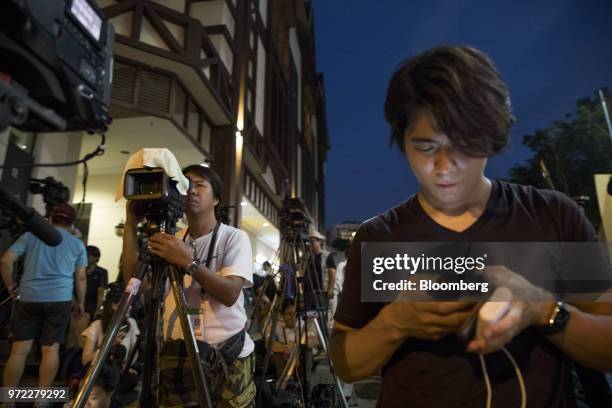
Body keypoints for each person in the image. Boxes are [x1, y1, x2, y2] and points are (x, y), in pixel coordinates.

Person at [330, 45, 612, 407]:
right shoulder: (378, 237)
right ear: (403, 142)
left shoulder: (554, 216)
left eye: (463, 145)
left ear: (492, 136)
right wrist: (396, 322)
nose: (445, 165)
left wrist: (542, 309)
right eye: (426, 147)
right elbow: (345, 364)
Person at [122, 165, 256, 407]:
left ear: (216, 198)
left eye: (200, 185)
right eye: (186, 186)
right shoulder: (171, 239)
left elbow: (230, 293)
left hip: (228, 356)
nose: (192, 190)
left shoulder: (234, 237)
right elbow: (135, 285)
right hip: (178, 356)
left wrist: (188, 262)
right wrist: (130, 226)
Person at [0, 203, 87, 393]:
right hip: (59, 300)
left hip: (28, 297)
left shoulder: (30, 236)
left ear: (50, 219)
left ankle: (7, 401)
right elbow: (80, 276)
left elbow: (5, 261)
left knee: (19, 351)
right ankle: (41, 400)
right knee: (50, 350)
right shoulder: (77, 244)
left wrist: (10, 286)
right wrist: (79, 302)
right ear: (72, 224)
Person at [304, 229, 336, 313]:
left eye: (312, 241)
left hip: (322, 292)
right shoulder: (308, 257)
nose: (310, 244)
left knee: (321, 316)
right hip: (309, 291)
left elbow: (332, 272)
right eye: (309, 242)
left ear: (319, 242)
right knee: (309, 317)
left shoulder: (327, 255)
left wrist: (330, 289)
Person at [84, 245, 108, 320]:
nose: (85, 258)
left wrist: (98, 309)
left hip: (92, 304)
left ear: (96, 257)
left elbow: (101, 292)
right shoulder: (79, 270)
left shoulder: (102, 272)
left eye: (88, 256)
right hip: (77, 303)